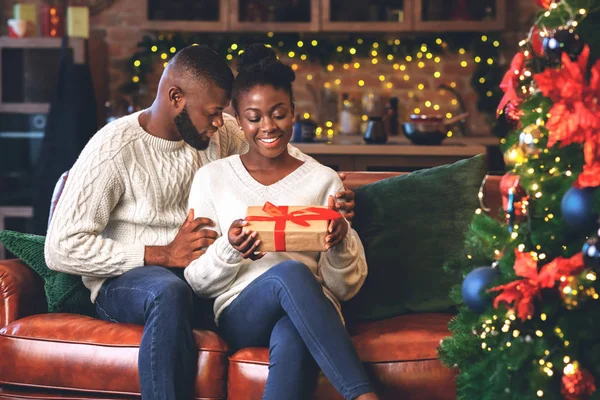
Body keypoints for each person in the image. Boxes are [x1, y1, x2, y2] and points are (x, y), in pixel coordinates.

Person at [44, 45, 356, 400]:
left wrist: (332, 184)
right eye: (212, 113)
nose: (220, 122)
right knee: (167, 289)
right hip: (129, 282)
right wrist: (160, 254)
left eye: (223, 113)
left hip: (200, 279)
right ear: (176, 97)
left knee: (281, 317)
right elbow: (61, 247)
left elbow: (276, 149)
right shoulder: (113, 148)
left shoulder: (214, 134)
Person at [184, 44, 379, 400]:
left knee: (292, 333)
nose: (268, 127)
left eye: (279, 114)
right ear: (239, 121)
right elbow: (196, 281)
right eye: (254, 117)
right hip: (241, 314)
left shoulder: (324, 180)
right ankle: (364, 395)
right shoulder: (212, 179)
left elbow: (344, 288)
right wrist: (230, 247)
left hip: (311, 312)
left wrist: (340, 240)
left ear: (293, 113)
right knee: (290, 273)